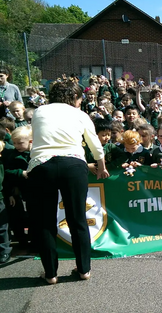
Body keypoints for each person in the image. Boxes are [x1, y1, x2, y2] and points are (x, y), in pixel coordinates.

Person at [27, 81, 110, 284]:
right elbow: (95, 144)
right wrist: (102, 166)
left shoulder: (39, 111)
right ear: (74, 98)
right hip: (73, 164)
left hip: (41, 164)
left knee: (45, 222)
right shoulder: (79, 114)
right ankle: (84, 269)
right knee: (77, 218)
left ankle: (50, 274)